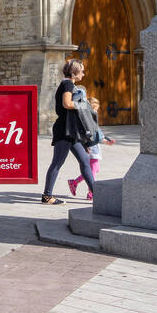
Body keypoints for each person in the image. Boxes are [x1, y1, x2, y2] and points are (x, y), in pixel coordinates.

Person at [40, 58, 98, 204]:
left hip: (71, 131)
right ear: (74, 72)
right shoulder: (67, 84)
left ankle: (97, 195)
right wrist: (83, 104)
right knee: (57, 162)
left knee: (85, 160)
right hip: (64, 130)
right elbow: (67, 104)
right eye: (82, 71)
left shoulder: (70, 85)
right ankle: (47, 196)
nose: (83, 74)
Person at [69, 94, 116, 198]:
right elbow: (84, 136)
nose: (96, 112)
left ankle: (74, 182)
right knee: (93, 170)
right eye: (95, 109)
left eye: (97, 110)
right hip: (91, 149)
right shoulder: (86, 121)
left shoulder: (92, 120)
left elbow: (97, 135)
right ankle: (91, 192)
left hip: (95, 148)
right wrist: (85, 147)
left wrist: (106, 141)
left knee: (95, 169)